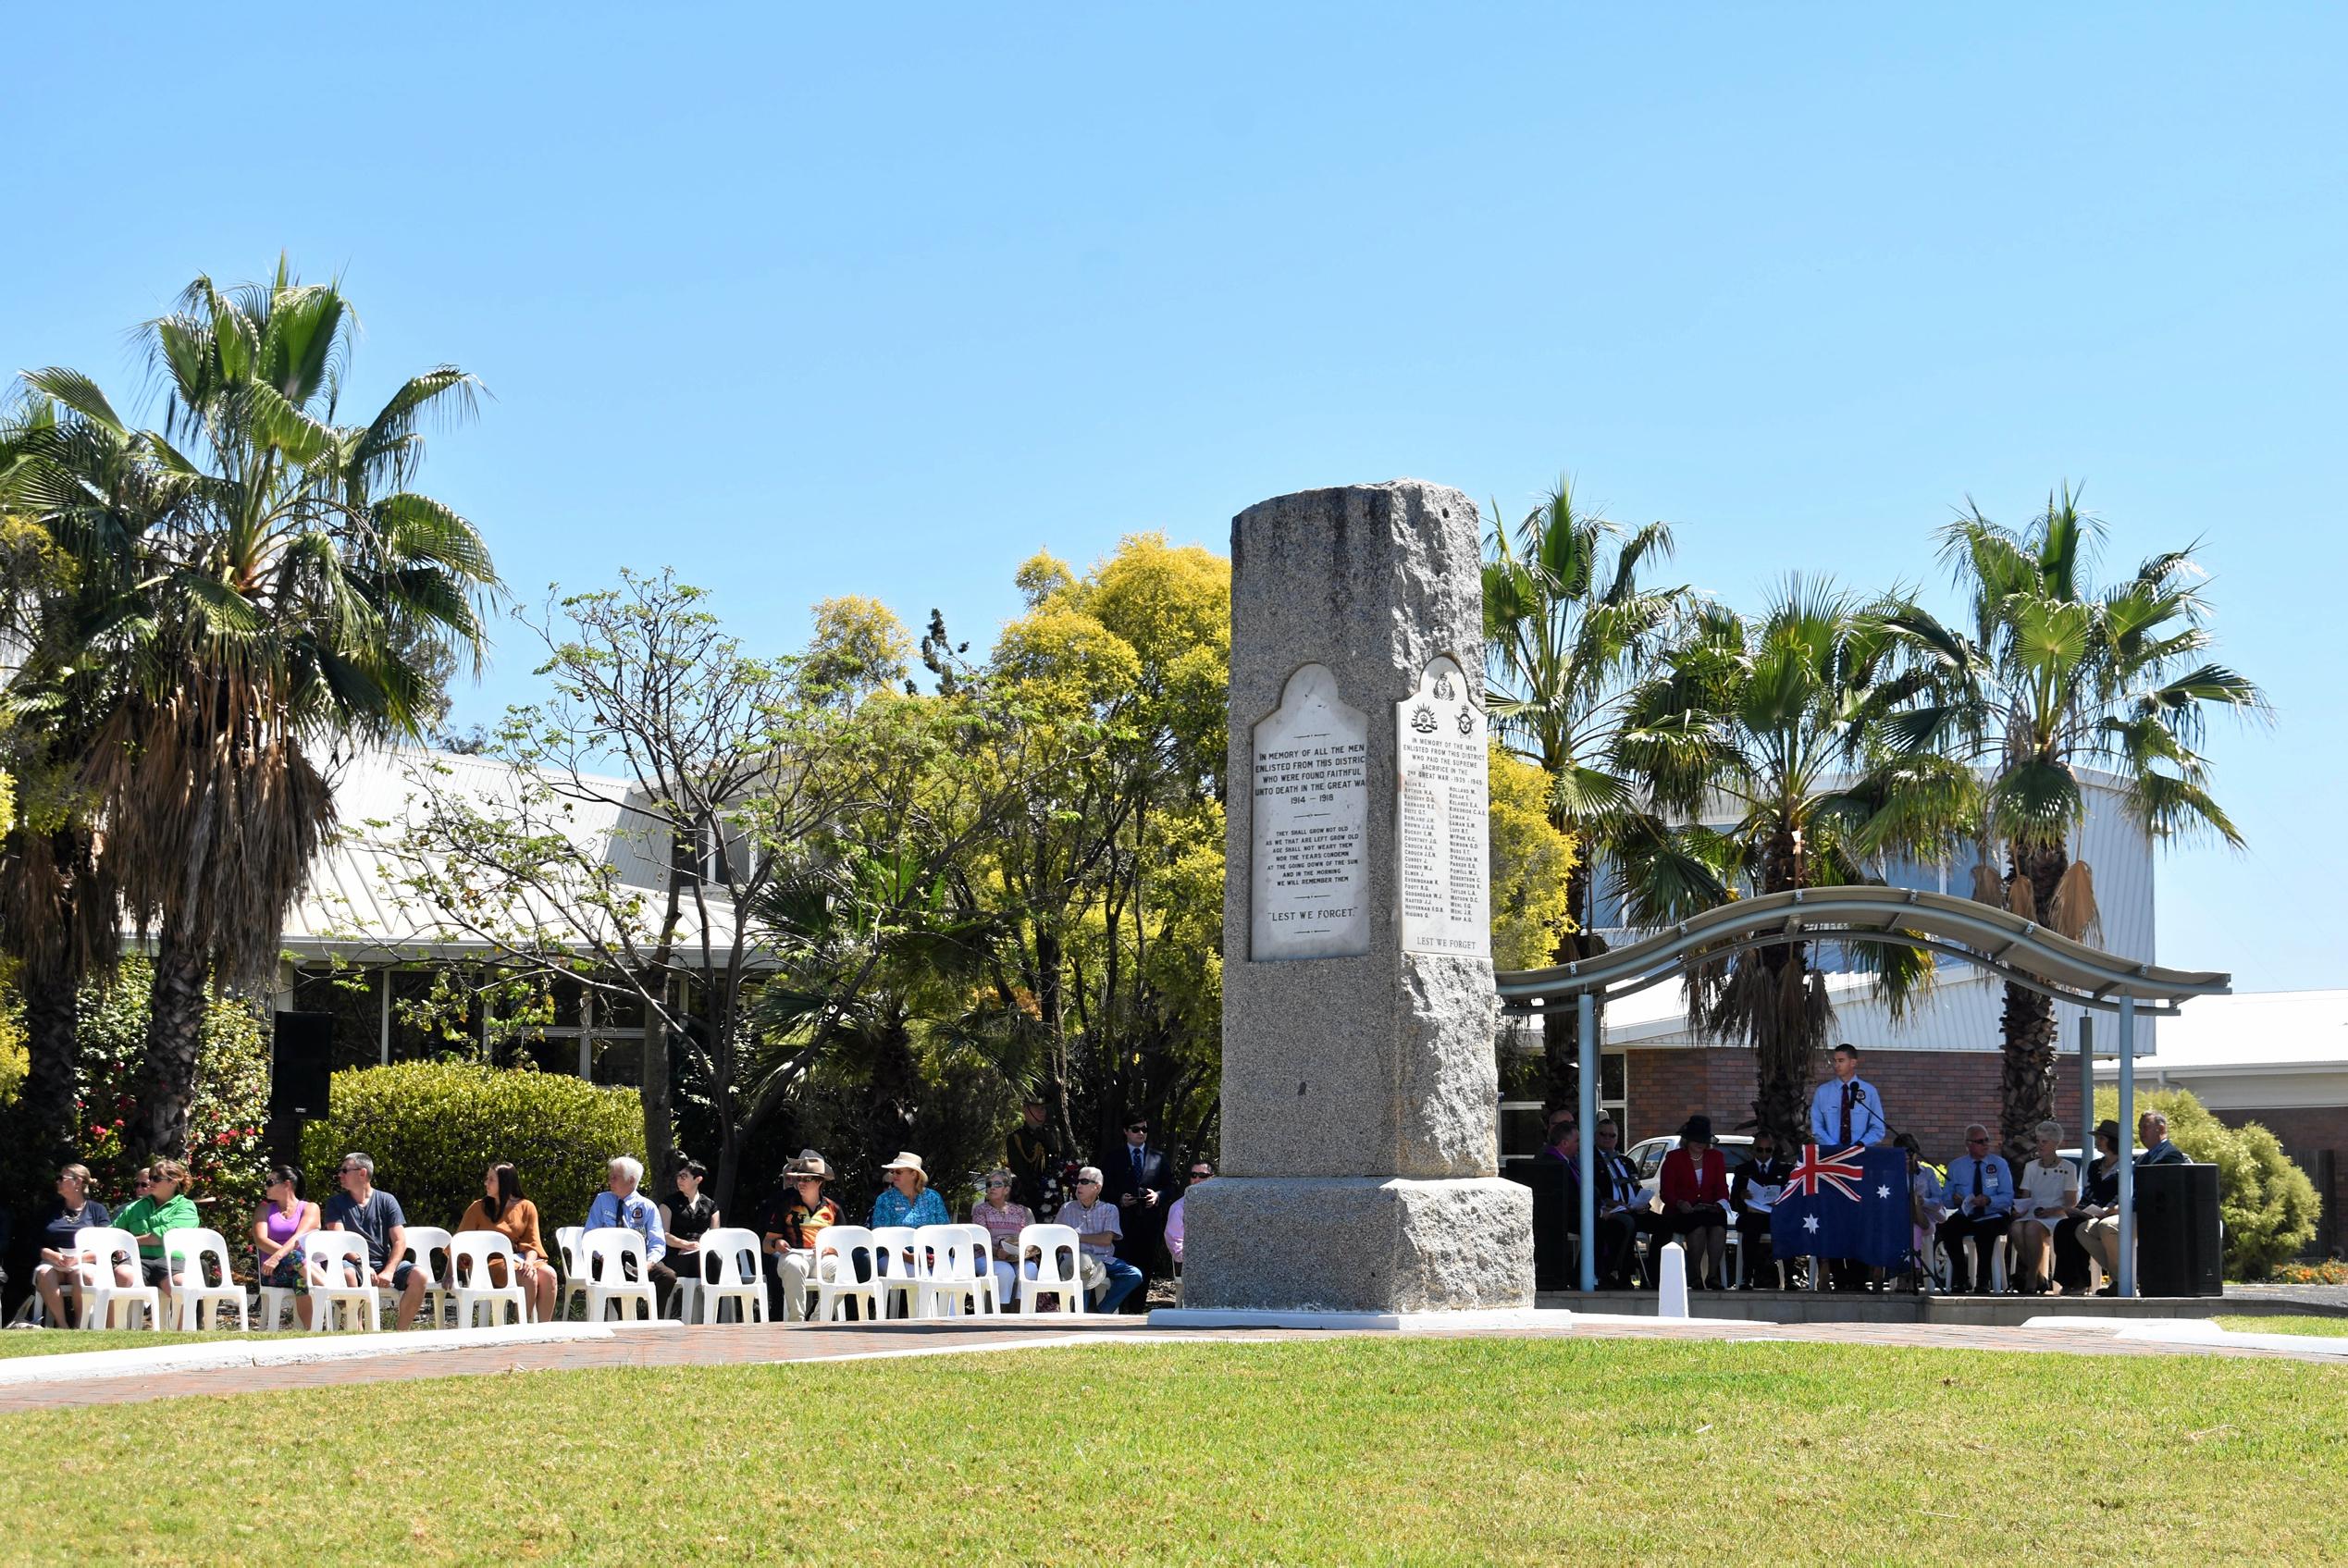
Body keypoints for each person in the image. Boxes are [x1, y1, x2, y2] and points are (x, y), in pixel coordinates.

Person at [308, 1153, 422, 1329]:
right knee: (348, 1275)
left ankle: (400, 1334)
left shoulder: (387, 1200)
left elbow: (399, 1241)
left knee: (419, 1276)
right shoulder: (335, 1203)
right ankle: (358, 1331)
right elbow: (340, 1241)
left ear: (362, 1173)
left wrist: (389, 1271)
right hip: (352, 1263)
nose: (340, 1175)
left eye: (345, 1170)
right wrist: (363, 1264)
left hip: (382, 1264)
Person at [457, 1163, 558, 1321]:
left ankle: (542, 1330)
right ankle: (522, 1326)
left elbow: (532, 1243)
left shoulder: (526, 1207)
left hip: (519, 1259)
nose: (486, 1183)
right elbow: (459, 1241)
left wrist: (530, 1262)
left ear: (505, 1183)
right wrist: (459, 1262)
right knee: (529, 1277)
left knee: (549, 1274)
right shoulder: (478, 1207)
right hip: (490, 1263)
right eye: (487, 1179)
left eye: (491, 1179)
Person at [761, 1154, 845, 1321]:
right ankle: (796, 1320)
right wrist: (776, 1244)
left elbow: (843, 1245)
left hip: (822, 1259)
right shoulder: (786, 1205)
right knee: (793, 1264)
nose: (801, 1183)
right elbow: (766, 1245)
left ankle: (818, 1319)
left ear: (819, 1182)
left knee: (843, 1269)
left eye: (807, 1179)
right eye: (799, 1179)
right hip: (794, 1255)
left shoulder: (833, 1209)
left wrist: (829, 1249)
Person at [110, 1157, 197, 1314]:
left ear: (173, 1182)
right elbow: (112, 1233)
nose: (150, 1182)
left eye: (155, 1178)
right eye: (150, 1177)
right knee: (122, 1274)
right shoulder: (135, 1207)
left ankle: (182, 1334)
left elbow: (163, 1237)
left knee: (182, 1286)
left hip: (171, 1262)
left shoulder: (186, 1207)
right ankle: (109, 1330)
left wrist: (129, 1242)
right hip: (138, 1260)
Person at [1935, 1125, 2014, 1293]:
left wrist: (1988, 1200)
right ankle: (1961, 1278)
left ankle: (1983, 1281)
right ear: (1968, 1144)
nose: (1985, 1144)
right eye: (1980, 1141)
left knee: (1986, 1233)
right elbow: (1946, 1199)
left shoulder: (1999, 1164)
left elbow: (2008, 1196)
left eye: (1987, 1140)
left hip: (1994, 1215)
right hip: (1968, 1214)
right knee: (1948, 1229)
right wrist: (1954, 1200)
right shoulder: (1957, 1166)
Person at [31, 1164, 111, 1327]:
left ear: (78, 1182)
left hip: (85, 1261)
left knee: (85, 1275)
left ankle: (79, 1325)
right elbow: (33, 1241)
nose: (58, 1181)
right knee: (45, 1272)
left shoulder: (97, 1210)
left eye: (62, 1178)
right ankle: (62, 1325)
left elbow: (106, 1242)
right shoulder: (50, 1210)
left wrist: (78, 1259)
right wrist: (49, 1254)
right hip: (54, 1261)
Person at [1057, 1167, 1143, 1314]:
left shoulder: (1109, 1209)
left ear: (1097, 1187)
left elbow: (1106, 1240)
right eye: (1078, 1182)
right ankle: (1079, 1318)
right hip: (1074, 1259)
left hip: (1102, 1260)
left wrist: (1075, 1238)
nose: (1078, 1186)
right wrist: (1067, 1244)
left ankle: (1102, 1312)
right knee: (1082, 1269)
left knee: (1134, 1274)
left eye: (1084, 1182)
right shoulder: (1066, 1208)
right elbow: (1057, 1242)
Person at [1101, 1117, 1173, 1290]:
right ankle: (1121, 1308)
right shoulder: (1113, 1157)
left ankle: (1137, 1309)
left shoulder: (1158, 1157)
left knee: (1145, 1265)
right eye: (1135, 1129)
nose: (1141, 1133)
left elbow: (1171, 1186)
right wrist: (1119, 1198)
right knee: (1123, 1266)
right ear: (1126, 1131)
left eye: (1144, 1129)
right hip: (1121, 1223)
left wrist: (1157, 1196)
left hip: (1149, 1221)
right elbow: (1103, 1188)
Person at [1658, 1117, 1729, 1289]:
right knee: (1697, 1229)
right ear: (1687, 1139)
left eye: (1703, 1140)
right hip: (1682, 1212)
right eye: (1695, 1139)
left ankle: (1712, 1276)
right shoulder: (1674, 1157)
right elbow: (1666, 1192)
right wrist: (1680, 1203)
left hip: (1709, 1209)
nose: (1699, 1143)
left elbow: (1722, 1187)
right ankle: (1695, 1276)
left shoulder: (1716, 1157)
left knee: (1719, 1227)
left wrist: (1720, 1202)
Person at [584, 1154, 671, 1293]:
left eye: (615, 1177)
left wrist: (648, 1263)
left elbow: (657, 1242)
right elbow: (589, 1235)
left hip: (639, 1259)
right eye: (610, 1176)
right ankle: (624, 1315)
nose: (609, 1181)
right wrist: (602, 1257)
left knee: (667, 1276)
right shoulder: (602, 1200)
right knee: (616, 1283)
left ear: (630, 1180)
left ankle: (651, 1315)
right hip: (609, 1259)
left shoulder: (647, 1207)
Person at [2009, 1119, 2079, 1294]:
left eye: (2044, 1141)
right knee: (2016, 1228)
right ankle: (2040, 1276)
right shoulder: (2031, 1167)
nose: (2040, 1145)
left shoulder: (2068, 1167)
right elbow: (2026, 1197)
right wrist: (2019, 1210)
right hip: (2034, 1213)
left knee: (2032, 1228)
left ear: (2055, 1143)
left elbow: (2071, 1202)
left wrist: (2052, 1210)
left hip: (2056, 1215)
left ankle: (2031, 1277)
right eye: (2038, 1141)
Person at [2057, 1120, 2124, 1294]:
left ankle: (2081, 1281)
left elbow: (2122, 1193)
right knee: (2064, 1227)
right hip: (2091, 1212)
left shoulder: (2125, 1167)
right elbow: (2089, 1192)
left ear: (2112, 1141)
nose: (2098, 1142)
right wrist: (2079, 1209)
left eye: (2101, 1138)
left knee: (2078, 1228)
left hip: (2110, 1213)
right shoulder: (2095, 1166)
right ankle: (2069, 1279)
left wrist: (2106, 1210)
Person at [1730, 1130, 1794, 1290]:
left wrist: (1781, 1201)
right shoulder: (1743, 1170)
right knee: (1751, 1228)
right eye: (1759, 1149)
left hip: (1776, 1215)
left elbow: (1793, 1197)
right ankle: (1746, 1278)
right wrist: (1742, 1197)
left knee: (1786, 1228)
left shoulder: (1785, 1169)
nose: (1764, 1154)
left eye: (1768, 1150)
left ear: (1773, 1150)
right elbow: (1733, 1202)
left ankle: (1789, 1278)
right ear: (1753, 1149)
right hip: (1752, 1215)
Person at [1590, 1118, 1648, 1290]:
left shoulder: (1626, 1161)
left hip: (1633, 1209)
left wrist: (1643, 1203)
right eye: (1603, 1134)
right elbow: (1595, 1192)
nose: (1607, 1138)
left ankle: (1654, 1276)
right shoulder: (1591, 1161)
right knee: (1625, 1224)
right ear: (1595, 1136)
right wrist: (1614, 1203)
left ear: (1617, 1138)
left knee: (1666, 1224)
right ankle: (1620, 1274)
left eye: (1612, 1135)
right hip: (1611, 1210)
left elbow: (1638, 1187)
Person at [250, 1165, 319, 1300]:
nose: (266, 1187)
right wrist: (286, 1257)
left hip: (302, 1267)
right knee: (297, 1261)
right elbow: (260, 1241)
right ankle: (338, 1296)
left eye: (270, 1183)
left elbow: (299, 1237)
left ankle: (310, 1322)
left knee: (301, 1279)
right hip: (273, 1270)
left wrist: (278, 1256)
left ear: (287, 1184)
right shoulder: (263, 1210)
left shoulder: (310, 1208)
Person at [970, 1167, 1036, 1306]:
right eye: (989, 1185)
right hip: (987, 1255)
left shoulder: (1018, 1211)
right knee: (1005, 1271)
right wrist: (997, 1251)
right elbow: (981, 1239)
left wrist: (1023, 1251)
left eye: (997, 1184)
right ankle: (1002, 1314)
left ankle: (1021, 1313)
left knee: (1030, 1269)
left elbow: (1025, 1236)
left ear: (1006, 1190)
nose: (992, 1188)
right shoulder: (980, 1210)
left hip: (1015, 1257)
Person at [1808, 1043, 1888, 1150]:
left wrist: (1860, 1145)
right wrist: (1834, 1147)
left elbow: (1878, 1128)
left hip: (1860, 1154)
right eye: (1834, 1061)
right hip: (1830, 1155)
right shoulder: (1822, 1092)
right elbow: (1817, 1128)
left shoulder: (1869, 1092)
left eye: (1841, 1061)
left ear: (1853, 1062)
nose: (1836, 1065)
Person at [661, 1157, 720, 1295]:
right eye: (679, 1176)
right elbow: (663, 1235)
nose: (679, 1180)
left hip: (702, 1253)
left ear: (698, 1180)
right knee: (711, 1260)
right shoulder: (668, 1203)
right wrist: (685, 1245)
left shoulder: (710, 1205)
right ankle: (712, 1308)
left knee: (714, 1257)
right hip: (676, 1255)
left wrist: (700, 1247)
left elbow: (715, 1236)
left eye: (684, 1176)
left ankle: (715, 1307)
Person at [1897, 1134, 1946, 1292]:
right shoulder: (1893, 1173)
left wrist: (1923, 1201)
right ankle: (1908, 1272)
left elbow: (1938, 1202)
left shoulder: (1928, 1173)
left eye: (1908, 1154)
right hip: (1902, 1218)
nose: (1906, 1158)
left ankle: (1908, 1274)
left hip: (1927, 1218)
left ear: (1916, 1153)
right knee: (1909, 1227)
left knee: (1915, 1227)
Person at [1005, 1099, 1060, 1211]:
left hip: (1053, 1196)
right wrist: (1038, 1189)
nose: (1042, 1111)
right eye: (1037, 1108)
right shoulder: (1016, 1138)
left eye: (1043, 1108)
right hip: (1026, 1199)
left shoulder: (1053, 1133)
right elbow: (1019, 1171)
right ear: (1025, 1109)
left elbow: (1058, 1161)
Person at [1166, 1161, 1211, 1270]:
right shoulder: (1178, 1208)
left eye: (1202, 1175)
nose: (1197, 1179)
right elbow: (1175, 1243)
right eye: (1193, 1175)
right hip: (1193, 1266)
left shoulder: (1223, 1204)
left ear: (1212, 1178)